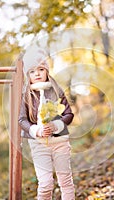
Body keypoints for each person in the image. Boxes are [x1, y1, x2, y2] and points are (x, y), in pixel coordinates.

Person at [18, 49, 75, 200]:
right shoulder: (26, 95)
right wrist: (36, 130)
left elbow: (69, 114)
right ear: (27, 75)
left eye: (41, 69)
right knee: (45, 183)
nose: (37, 74)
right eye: (32, 71)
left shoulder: (55, 90)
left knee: (65, 181)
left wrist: (56, 125)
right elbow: (22, 120)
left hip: (60, 143)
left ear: (47, 71)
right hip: (39, 144)